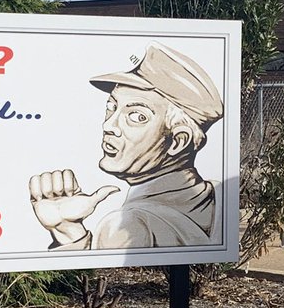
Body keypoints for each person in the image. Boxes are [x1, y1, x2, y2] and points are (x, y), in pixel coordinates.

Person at [28, 43, 224, 249]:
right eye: (111, 107)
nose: (109, 126)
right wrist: (67, 230)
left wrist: (70, 238)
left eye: (137, 116)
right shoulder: (216, 197)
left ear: (178, 141)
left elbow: (106, 264)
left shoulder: (128, 226)